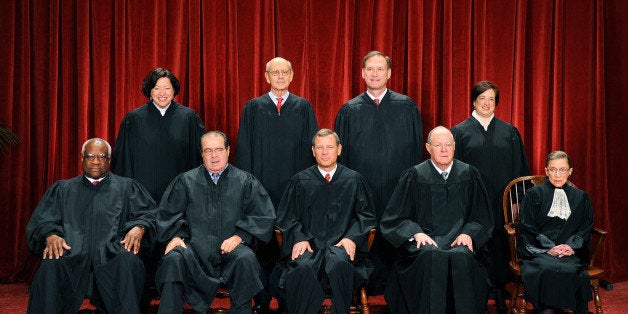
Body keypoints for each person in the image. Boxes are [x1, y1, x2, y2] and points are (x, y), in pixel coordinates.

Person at [26, 138, 158, 313]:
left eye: (102, 156)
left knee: (129, 261)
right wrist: (51, 234)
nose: (96, 161)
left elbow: (151, 215)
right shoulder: (63, 189)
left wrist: (140, 226)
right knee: (51, 261)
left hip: (113, 253)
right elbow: (42, 220)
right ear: (82, 158)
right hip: (71, 254)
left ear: (109, 160)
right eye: (90, 156)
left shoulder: (127, 187)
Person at [155, 131, 276, 314]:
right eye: (208, 150)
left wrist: (240, 236)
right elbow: (168, 214)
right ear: (201, 153)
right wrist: (176, 236)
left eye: (219, 149)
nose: (214, 156)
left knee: (246, 259)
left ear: (228, 151)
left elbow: (263, 216)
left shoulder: (245, 182)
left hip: (232, 252)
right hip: (194, 251)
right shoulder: (185, 181)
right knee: (174, 259)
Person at [334, 50, 423, 295]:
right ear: (362, 73)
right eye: (370, 69)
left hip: (399, 187)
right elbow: (340, 157)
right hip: (363, 188)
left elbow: (417, 150)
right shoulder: (349, 110)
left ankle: (399, 288)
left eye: (380, 69)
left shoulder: (406, 106)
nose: (375, 74)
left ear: (389, 73)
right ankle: (365, 285)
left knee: (397, 232)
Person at [380, 126, 494, 313]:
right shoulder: (414, 175)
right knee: (429, 255)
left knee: (462, 255)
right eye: (438, 145)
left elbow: (482, 215)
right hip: (426, 240)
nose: (444, 149)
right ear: (428, 148)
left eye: (448, 144)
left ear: (454, 146)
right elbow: (395, 217)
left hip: (459, 240)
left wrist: (469, 233)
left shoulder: (469, 174)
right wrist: (415, 232)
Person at [234, 57, 318, 310]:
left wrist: (305, 188)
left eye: (285, 72)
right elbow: (245, 149)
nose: (280, 77)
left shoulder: (303, 107)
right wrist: (248, 189)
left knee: (292, 242)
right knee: (262, 245)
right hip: (261, 190)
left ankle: (286, 297)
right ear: (267, 77)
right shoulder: (253, 107)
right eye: (275, 73)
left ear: (292, 76)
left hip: (293, 190)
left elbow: (310, 151)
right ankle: (260, 297)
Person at [273, 129, 376, 314]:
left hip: (341, 245)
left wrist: (352, 238)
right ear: (313, 151)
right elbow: (287, 218)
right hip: (310, 246)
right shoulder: (300, 181)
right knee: (303, 267)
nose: (325, 152)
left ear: (339, 149)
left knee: (339, 264)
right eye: (320, 148)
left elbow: (366, 216)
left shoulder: (353, 180)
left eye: (330, 147)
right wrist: (299, 238)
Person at [451, 80, 530, 311]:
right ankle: (478, 288)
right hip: (472, 201)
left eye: (491, 99)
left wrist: (519, 202)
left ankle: (498, 286)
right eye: (482, 98)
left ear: (497, 103)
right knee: (477, 240)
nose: (487, 103)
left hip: (503, 202)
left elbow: (521, 170)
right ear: (474, 101)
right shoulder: (460, 132)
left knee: (500, 242)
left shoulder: (510, 132)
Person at [112, 67, 206, 203]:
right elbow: (123, 161)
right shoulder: (133, 119)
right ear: (149, 91)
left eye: (167, 88)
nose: (162, 93)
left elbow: (199, 159)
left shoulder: (189, 118)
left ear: (174, 91)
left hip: (180, 195)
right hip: (142, 197)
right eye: (156, 88)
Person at [518, 151, 593, 313]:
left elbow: (586, 227)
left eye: (562, 170)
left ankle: (550, 310)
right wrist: (548, 248)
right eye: (553, 169)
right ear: (546, 171)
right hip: (540, 252)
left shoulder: (581, 197)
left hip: (569, 252)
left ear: (570, 171)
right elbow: (527, 226)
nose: (557, 175)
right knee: (547, 268)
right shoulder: (533, 194)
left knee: (570, 270)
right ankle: (548, 310)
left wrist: (571, 247)